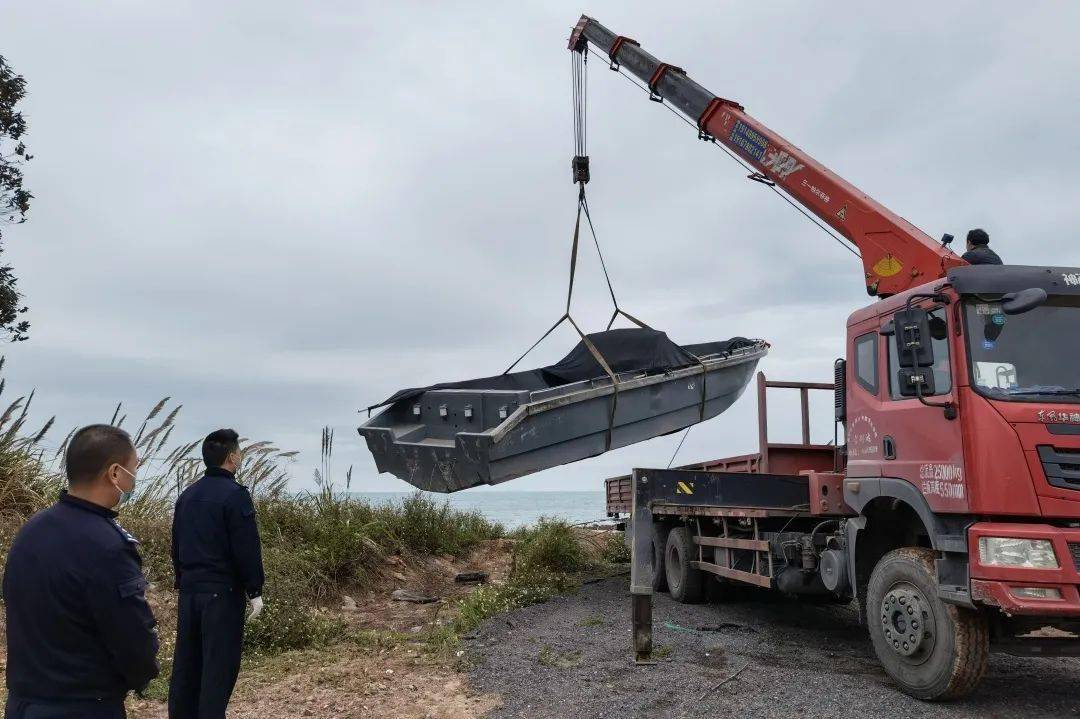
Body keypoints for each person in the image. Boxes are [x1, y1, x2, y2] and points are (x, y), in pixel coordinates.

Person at [3, 425, 159, 719]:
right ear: (115, 474)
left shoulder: (31, 531)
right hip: (82, 704)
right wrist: (142, 674)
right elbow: (132, 637)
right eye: (133, 469)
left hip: (23, 703)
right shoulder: (108, 547)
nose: (134, 479)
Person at [168, 429, 264, 719]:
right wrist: (255, 589)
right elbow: (246, 546)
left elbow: (176, 545)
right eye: (239, 451)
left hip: (189, 592)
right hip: (221, 594)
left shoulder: (187, 495)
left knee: (187, 664)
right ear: (232, 457)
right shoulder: (235, 496)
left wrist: (182, 582)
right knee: (218, 666)